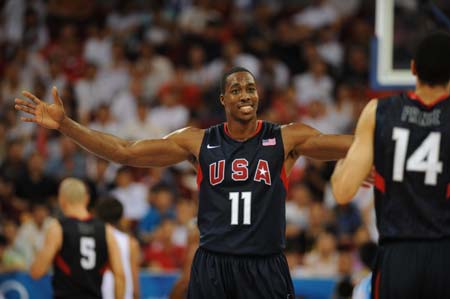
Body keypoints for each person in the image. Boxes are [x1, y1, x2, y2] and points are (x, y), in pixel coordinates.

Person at [16, 66, 353, 299]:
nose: (245, 94)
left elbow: (350, 145)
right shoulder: (197, 141)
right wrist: (66, 126)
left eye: (250, 88)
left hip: (265, 263)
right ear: (223, 100)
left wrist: (372, 150)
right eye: (235, 89)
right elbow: (125, 152)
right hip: (213, 263)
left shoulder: (284, 137)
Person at [331, 32, 450, 299]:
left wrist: (344, 165)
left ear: (412, 69)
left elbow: (342, 192)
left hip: (398, 256)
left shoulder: (379, 111)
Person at [29, 178, 125, 299]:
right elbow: (120, 275)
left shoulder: (58, 228)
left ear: (61, 200)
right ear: (86, 199)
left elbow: (36, 272)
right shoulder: (106, 230)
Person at [96, 196, 140, 299]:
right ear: (121, 217)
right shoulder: (130, 243)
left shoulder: (92, 238)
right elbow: (134, 278)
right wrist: (136, 295)